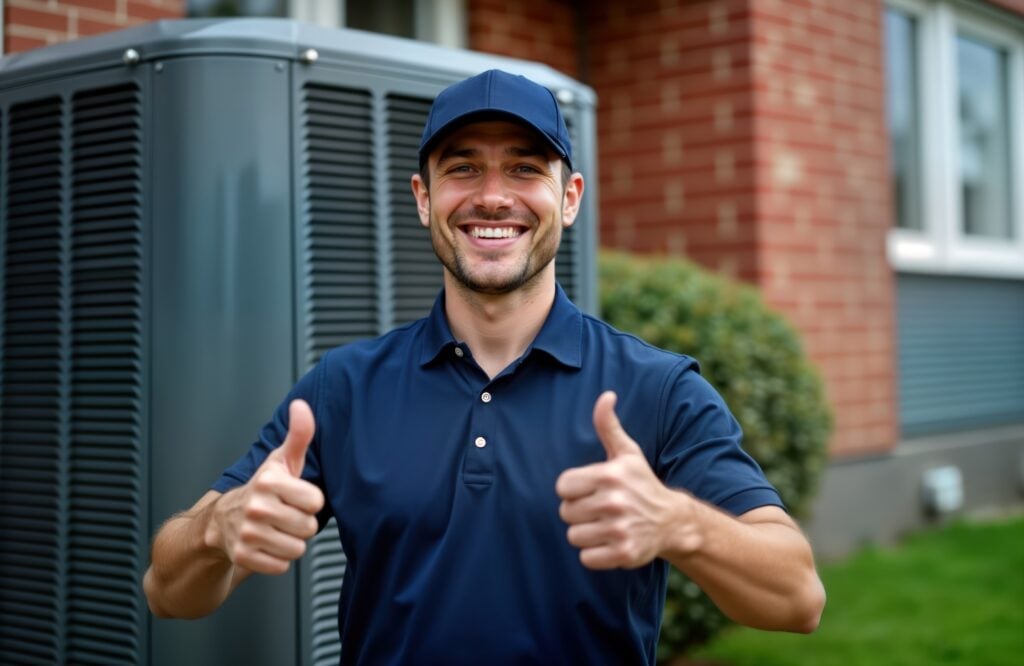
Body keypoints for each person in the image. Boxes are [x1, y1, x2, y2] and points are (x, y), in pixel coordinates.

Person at [143, 69, 825, 664]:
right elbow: (167, 593)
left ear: (570, 196)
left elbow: (797, 598)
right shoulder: (343, 389)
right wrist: (217, 529)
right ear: (422, 197)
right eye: (463, 168)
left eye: (526, 168)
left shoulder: (658, 388)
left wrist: (682, 523)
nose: (493, 196)